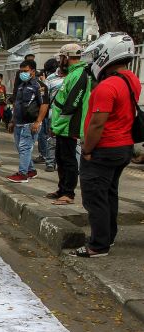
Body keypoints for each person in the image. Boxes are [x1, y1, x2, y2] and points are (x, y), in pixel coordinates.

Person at [70, 32, 140, 257]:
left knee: (95, 197)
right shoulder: (131, 80)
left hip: (104, 149)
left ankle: (98, 245)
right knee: (109, 194)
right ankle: (108, 237)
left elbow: (97, 124)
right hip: (124, 147)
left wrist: (88, 150)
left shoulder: (106, 87)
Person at [48, 44, 91, 205]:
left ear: (66, 57)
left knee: (68, 159)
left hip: (69, 125)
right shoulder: (73, 74)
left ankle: (68, 193)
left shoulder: (79, 75)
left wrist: (57, 125)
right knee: (60, 157)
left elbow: (72, 104)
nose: (60, 61)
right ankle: (62, 188)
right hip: (62, 125)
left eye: (61, 57)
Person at [6, 59, 49, 183]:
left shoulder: (40, 87)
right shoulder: (21, 86)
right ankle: (30, 170)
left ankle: (22, 173)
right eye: (21, 71)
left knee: (25, 148)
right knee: (21, 149)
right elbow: (17, 104)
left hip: (30, 123)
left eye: (25, 71)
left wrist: (38, 122)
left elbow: (44, 105)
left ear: (33, 71)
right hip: (19, 122)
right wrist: (12, 120)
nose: (23, 74)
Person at [34, 58, 62, 173]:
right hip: (53, 113)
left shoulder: (73, 78)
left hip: (68, 114)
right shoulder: (50, 79)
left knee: (64, 141)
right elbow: (45, 98)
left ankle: (58, 162)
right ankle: (50, 162)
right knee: (51, 138)